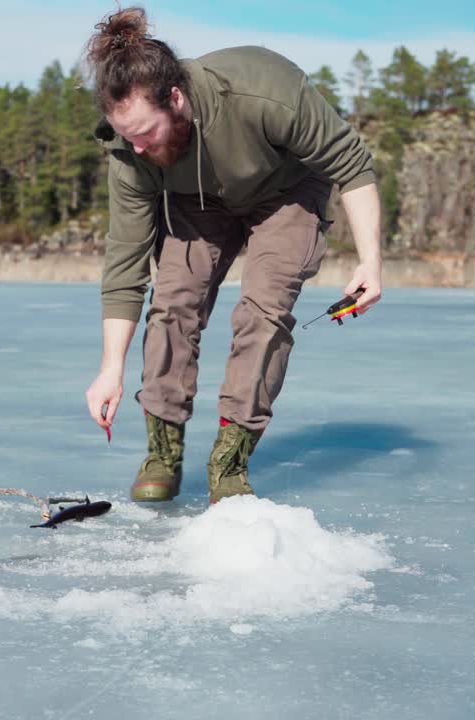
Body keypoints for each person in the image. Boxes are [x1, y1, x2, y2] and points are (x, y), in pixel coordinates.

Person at [82, 6, 383, 504]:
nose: (136, 148)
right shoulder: (131, 153)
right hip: (196, 198)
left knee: (262, 312)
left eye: (146, 133)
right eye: (127, 137)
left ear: (175, 98)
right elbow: (125, 263)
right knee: (173, 303)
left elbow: (352, 165)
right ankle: (163, 451)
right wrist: (111, 367)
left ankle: (230, 461)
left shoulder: (262, 91)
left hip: (287, 191)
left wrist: (370, 261)